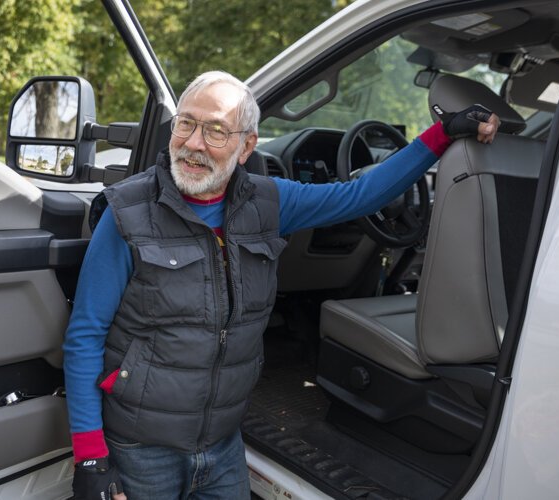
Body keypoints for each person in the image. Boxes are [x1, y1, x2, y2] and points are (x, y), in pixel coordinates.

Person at [64, 70, 500, 500]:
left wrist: (442, 136)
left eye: (216, 130)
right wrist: (90, 461)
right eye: (186, 123)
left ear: (246, 146)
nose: (194, 144)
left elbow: (360, 196)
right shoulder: (127, 213)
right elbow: (85, 336)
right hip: (142, 448)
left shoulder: (270, 202)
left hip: (222, 444)